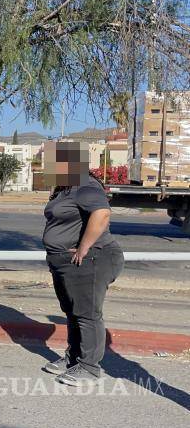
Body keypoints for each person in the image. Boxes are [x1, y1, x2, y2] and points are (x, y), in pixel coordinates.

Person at [41, 141, 124, 387]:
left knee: (87, 314)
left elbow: (102, 213)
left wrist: (84, 246)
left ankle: (89, 367)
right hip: (65, 263)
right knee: (73, 312)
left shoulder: (85, 185)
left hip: (92, 259)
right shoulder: (65, 188)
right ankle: (73, 359)